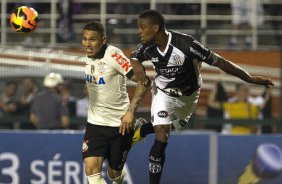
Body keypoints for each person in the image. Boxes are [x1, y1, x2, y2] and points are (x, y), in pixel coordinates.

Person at [130, 9, 274, 184]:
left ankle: (143, 130)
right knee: (162, 134)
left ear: (156, 27)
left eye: (142, 27)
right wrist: (137, 66)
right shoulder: (147, 47)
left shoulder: (186, 44)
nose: (139, 31)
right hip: (163, 92)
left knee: (172, 127)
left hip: (189, 95)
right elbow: (134, 56)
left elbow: (219, 61)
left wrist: (249, 78)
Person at [80, 21, 151, 184]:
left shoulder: (113, 55)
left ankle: (134, 135)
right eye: (84, 39)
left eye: (92, 39)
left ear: (103, 40)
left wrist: (130, 112)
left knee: (114, 174)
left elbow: (144, 82)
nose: (87, 44)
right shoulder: (88, 56)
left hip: (119, 125)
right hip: (95, 124)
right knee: (91, 170)